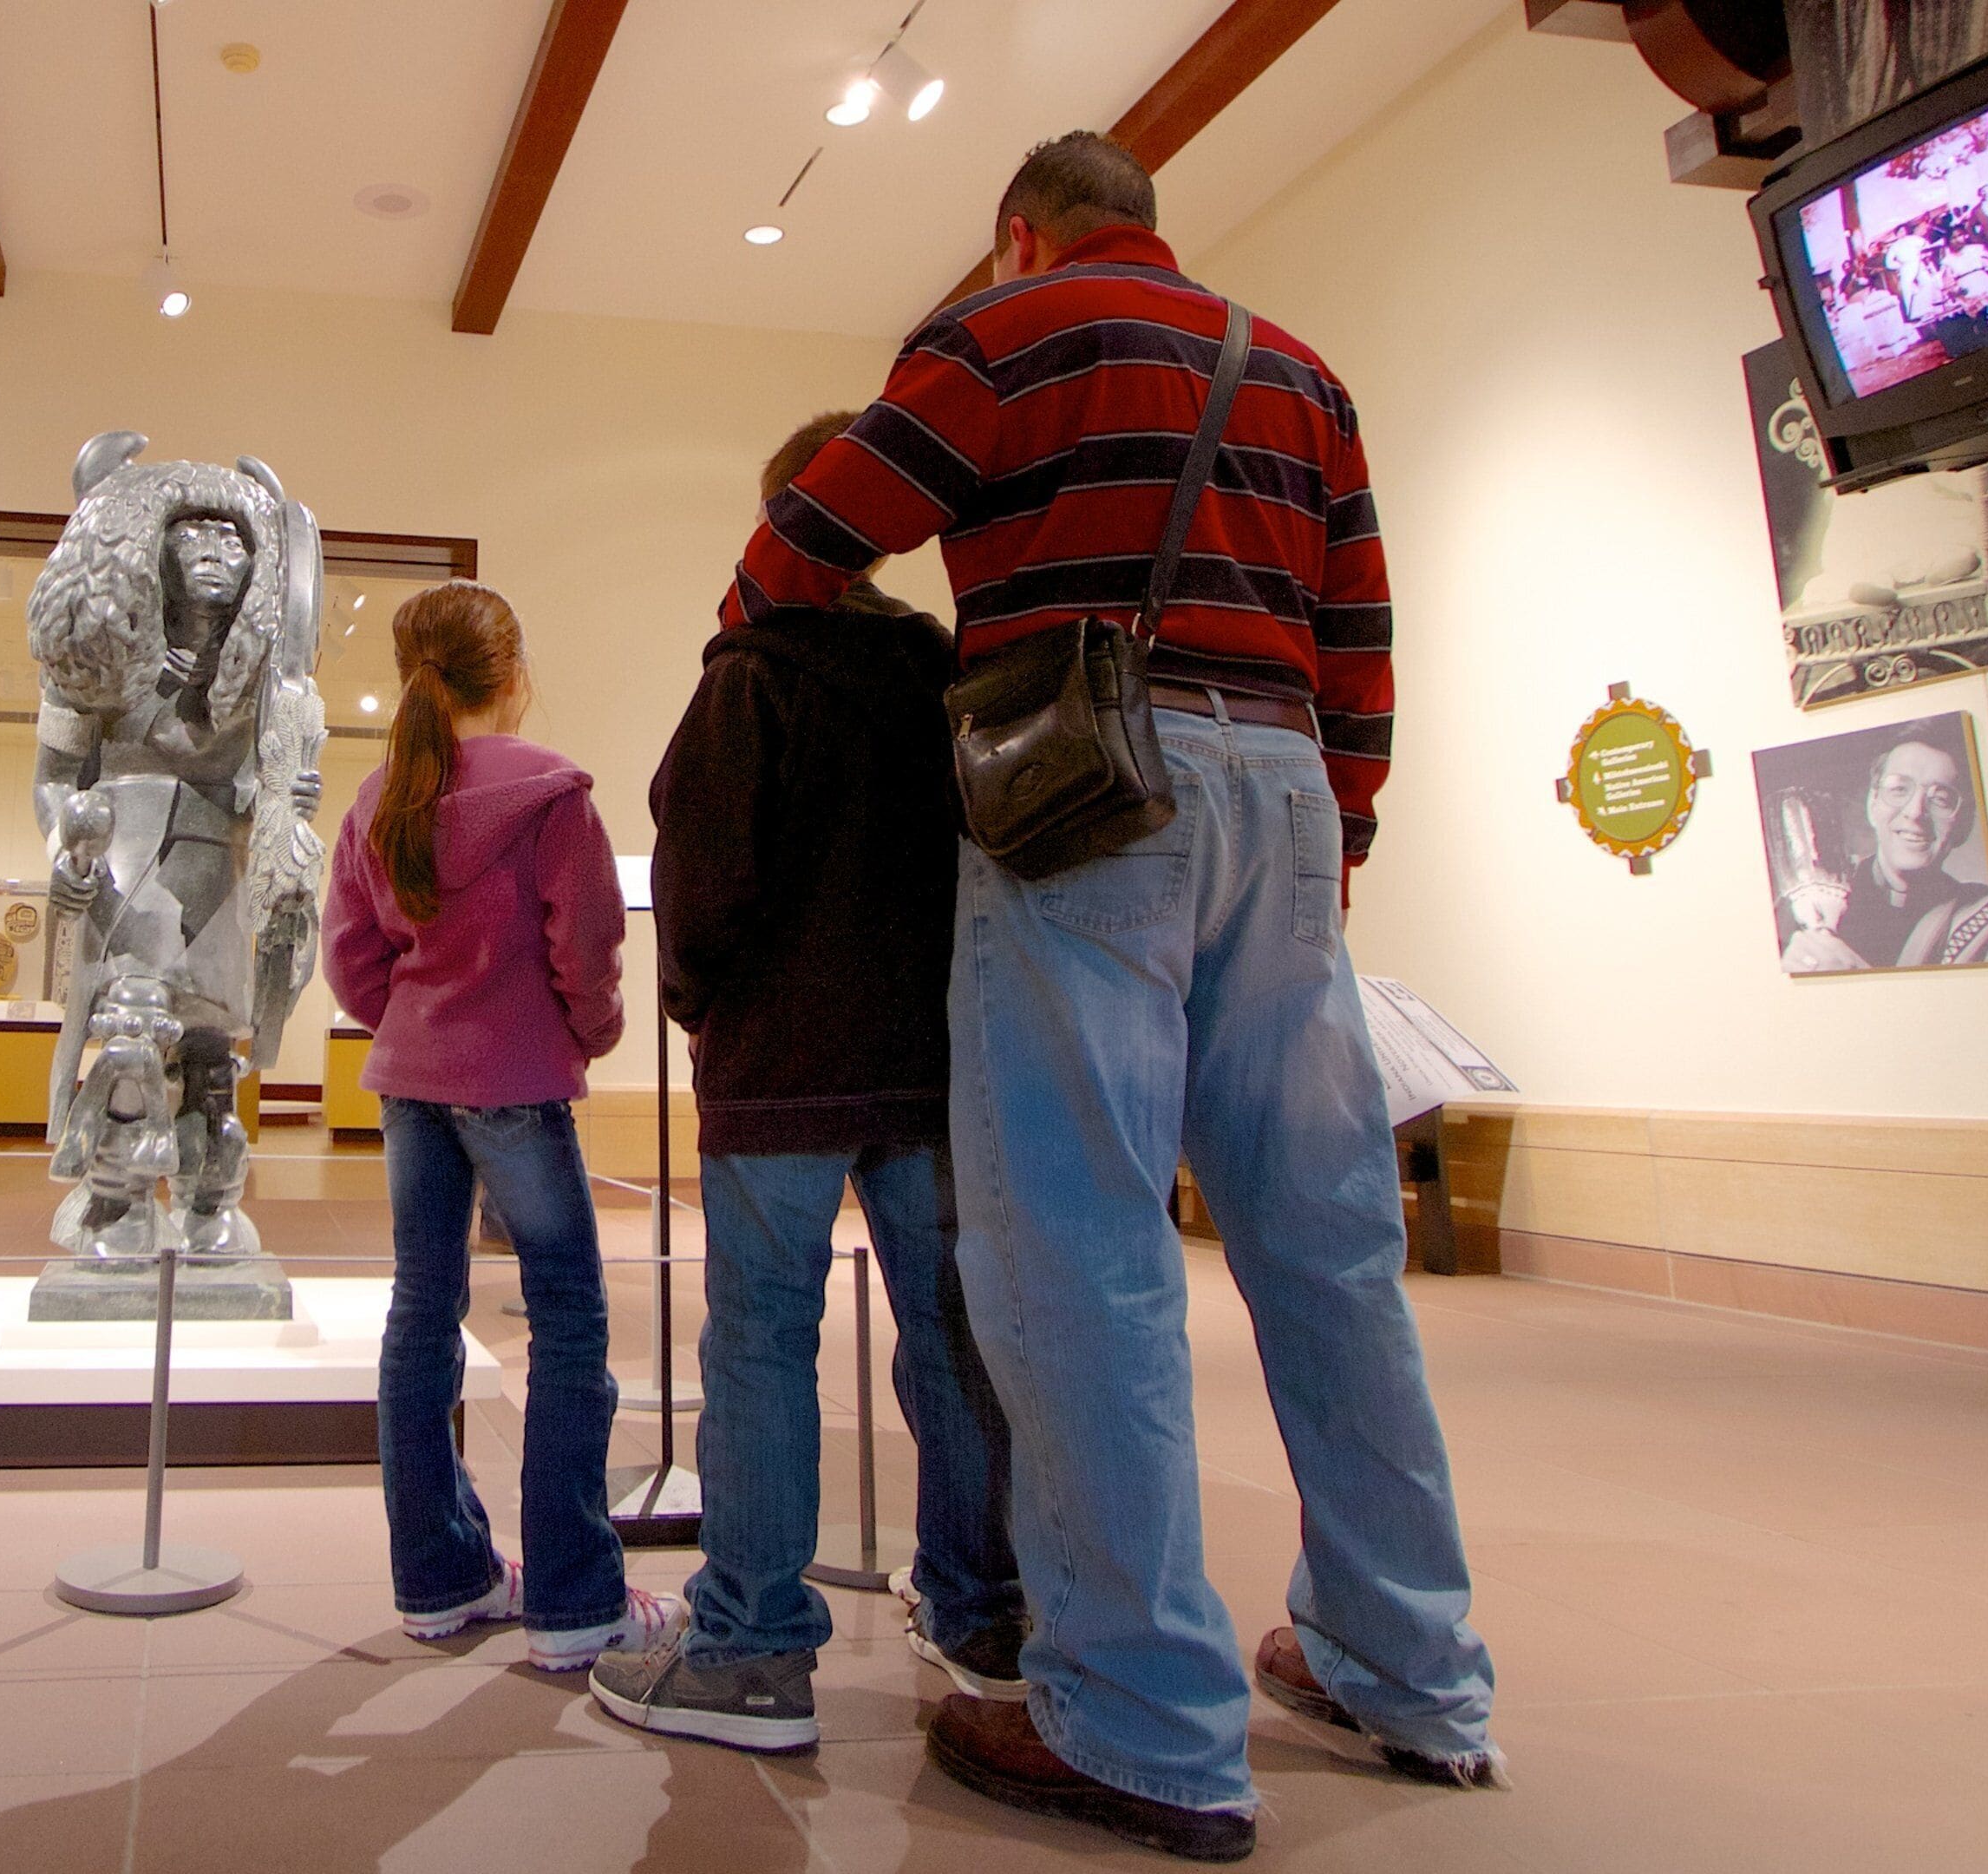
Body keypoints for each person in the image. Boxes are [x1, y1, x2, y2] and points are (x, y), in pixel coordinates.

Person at [711, 132, 1500, 1861]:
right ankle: (1406, 1663)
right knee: (1332, 1251)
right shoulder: (1302, 373)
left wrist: (754, 632)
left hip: (1088, 796)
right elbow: (1363, 633)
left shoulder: (1000, 340)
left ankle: (1137, 1717)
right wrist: (1338, 829)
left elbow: (813, 534)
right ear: (1151, 223)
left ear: (1022, 233)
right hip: (1287, 796)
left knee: (1079, 1251)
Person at [590, 414, 1029, 1754]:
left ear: (782, 518)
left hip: (780, 1067)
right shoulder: (948, 673)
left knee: (762, 1344)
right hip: (927, 1062)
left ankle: (753, 1647)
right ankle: (981, 1609)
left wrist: (694, 1003)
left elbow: (703, 880)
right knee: (953, 1338)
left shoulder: (755, 671)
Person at [321, 580, 677, 1671]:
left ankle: (441, 1581)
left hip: (413, 1087)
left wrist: (418, 1026)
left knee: (421, 1316)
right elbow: (589, 947)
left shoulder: (381, 798)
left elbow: (351, 958)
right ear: (513, 674)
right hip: (519, 1083)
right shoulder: (554, 796)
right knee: (568, 1321)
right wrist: (588, 1030)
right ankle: (574, 1602)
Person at [1781, 732, 1988, 972]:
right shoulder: (1813, 888)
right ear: (1873, 803)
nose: (1916, 812)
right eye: (1898, 789)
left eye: (1940, 799)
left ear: (1963, 824)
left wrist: (1858, 978)